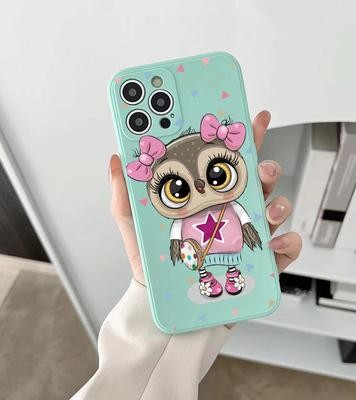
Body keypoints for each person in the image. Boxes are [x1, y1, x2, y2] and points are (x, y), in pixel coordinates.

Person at [71, 111, 302, 400]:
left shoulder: (229, 205)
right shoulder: (182, 220)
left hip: (227, 245)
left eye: (217, 173)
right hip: (197, 253)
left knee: (231, 259)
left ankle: (231, 276)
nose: (201, 188)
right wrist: (165, 270)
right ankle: (209, 280)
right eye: (177, 187)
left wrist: (248, 227)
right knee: (203, 264)